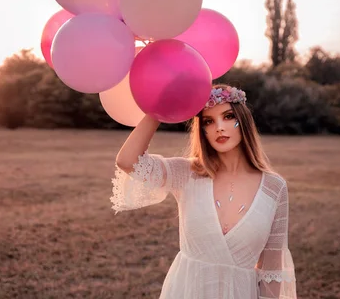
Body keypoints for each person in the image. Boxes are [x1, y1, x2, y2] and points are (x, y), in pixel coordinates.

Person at [111, 84, 297, 299]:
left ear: (243, 122)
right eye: (208, 121)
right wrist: (158, 110)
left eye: (228, 117)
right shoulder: (186, 173)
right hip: (186, 290)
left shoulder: (274, 188)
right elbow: (127, 161)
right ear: (202, 130)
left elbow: (271, 270)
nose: (219, 127)